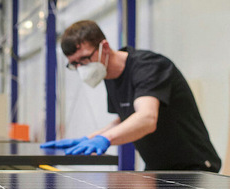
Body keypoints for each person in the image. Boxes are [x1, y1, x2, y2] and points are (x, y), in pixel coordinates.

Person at [41, 20, 220, 172]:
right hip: (158, 167)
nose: (81, 68)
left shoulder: (148, 67)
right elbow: (124, 119)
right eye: (74, 64)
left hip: (194, 167)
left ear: (104, 47)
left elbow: (147, 118)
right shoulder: (108, 75)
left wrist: (106, 139)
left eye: (85, 59)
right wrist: (89, 138)